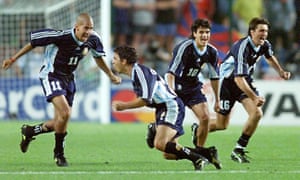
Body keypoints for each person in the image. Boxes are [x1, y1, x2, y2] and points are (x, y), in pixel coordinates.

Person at [1, 13, 121, 167]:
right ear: (76, 27)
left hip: (69, 79)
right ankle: (59, 154)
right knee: (66, 113)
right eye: (86, 28)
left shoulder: (93, 39)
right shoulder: (60, 36)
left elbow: (98, 58)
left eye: (91, 28)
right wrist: (13, 59)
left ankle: (30, 131)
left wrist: (110, 75)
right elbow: (33, 42)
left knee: (60, 121)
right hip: (51, 76)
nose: (88, 32)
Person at [111, 45, 209, 171]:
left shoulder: (140, 72)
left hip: (170, 106)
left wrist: (123, 106)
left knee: (160, 144)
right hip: (163, 107)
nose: (113, 61)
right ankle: (205, 154)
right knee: (168, 154)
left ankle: (197, 158)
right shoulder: (137, 73)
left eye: (115, 58)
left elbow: (146, 99)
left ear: (123, 61)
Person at [207, 17, 291, 163]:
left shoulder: (264, 44)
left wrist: (281, 72)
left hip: (244, 81)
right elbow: (237, 79)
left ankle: (238, 149)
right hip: (227, 83)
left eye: (266, 31)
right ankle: (200, 128)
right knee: (222, 125)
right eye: (261, 31)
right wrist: (254, 97)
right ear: (252, 32)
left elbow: (270, 57)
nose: (264, 34)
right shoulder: (242, 48)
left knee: (257, 113)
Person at [164, 18, 221, 169]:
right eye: (201, 32)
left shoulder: (212, 52)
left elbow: (215, 76)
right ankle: (155, 129)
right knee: (168, 152)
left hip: (193, 87)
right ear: (194, 34)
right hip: (176, 89)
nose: (205, 36)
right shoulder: (184, 48)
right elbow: (170, 74)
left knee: (205, 117)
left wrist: (217, 100)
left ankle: (200, 152)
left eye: (207, 32)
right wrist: (171, 94)